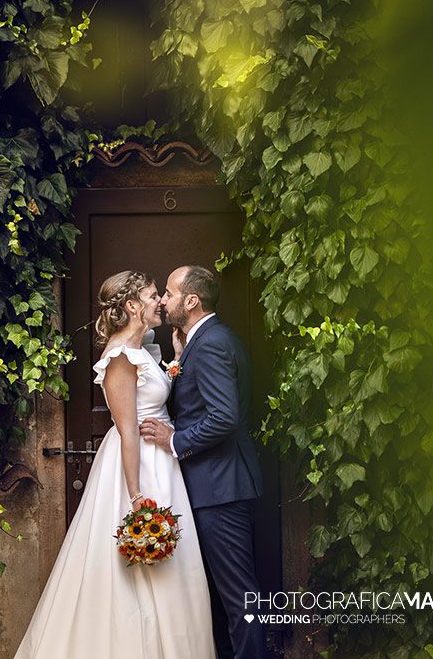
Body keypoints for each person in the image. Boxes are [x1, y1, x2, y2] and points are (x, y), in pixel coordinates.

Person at [15, 270, 216, 659]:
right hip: (138, 466)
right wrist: (136, 496)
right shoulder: (120, 357)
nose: (160, 302)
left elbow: (153, 396)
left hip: (162, 462)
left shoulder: (144, 349)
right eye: (153, 295)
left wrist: (176, 360)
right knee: (137, 570)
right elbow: (127, 431)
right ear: (132, 305)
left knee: (175, 568)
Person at [140, 265, 266, 659]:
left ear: (192, 301)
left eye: (169, 293)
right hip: (216, 485)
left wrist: (174, 440)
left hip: (221, 488)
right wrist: (178, 361)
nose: (163, 300)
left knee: (239, 598)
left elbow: (223, 417)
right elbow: (199, 401)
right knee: (222, 596)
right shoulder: (205, 340)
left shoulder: (211, 343)